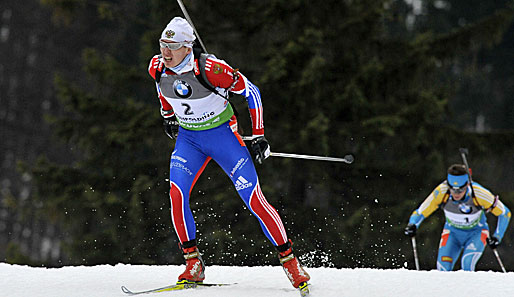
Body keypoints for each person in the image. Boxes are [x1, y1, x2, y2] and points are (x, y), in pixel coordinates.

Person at [147, 17, 310, 291]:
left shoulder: (211, 69)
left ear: (188, 47)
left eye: (172, 46)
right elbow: (161, 88)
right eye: (163, 44)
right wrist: (167, 115)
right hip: (189, 140)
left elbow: (252, 92)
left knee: (254, 199)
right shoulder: (157, 66)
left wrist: (258, 135)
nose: (166, 51)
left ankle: (291, 262)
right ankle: (193, 263)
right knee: (176, 194)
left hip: (223, 137)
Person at [404, 164, 511, 271]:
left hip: (476, 233)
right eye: (452, 189)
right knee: (443, 268)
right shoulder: (442, 191)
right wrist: (413, 224)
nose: (456, 194)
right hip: (452, 233)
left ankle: (470, 287)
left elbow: (505, 214)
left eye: (460, 190)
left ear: (467, 184)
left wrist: (497, 236)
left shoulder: (479, 194)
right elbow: (421, 212)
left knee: (467, 264)